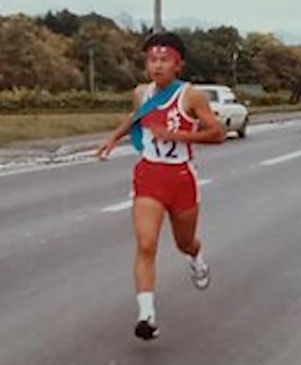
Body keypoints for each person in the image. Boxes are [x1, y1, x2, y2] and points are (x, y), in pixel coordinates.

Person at [97, 32, 226, 340]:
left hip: (180, 178)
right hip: (149, 176)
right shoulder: (142, 92)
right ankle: (147, 315)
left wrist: (179, 136)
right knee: (146, 243)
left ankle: (195, 257)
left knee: (184, 242)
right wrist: (113, 139)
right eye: (152, 60)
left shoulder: (191, 96)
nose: (157, 66)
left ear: (178, 64)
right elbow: (134, 118)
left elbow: (217, 133)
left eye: (164, 60)